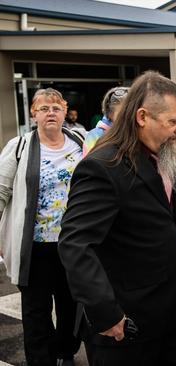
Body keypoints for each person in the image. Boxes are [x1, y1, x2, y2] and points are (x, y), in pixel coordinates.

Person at [57, 71, 176, 366]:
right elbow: (75, 244)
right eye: (173, 122)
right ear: (142, 117)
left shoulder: (163, 156)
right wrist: (107, 314)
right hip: (124, 325)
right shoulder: (102, 166)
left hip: (166, 314)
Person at [0, 88, 84, 366]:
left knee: (71, 304)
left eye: (56, 108)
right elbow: (1, 191)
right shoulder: (19, 147)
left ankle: (66, 352)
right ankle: (41, 360)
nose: (50, 113)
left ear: (64, 111)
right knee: (36, 311)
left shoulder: (81, 141)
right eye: (44, 108)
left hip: (73, 244)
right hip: (33, 246)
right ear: (34, 113)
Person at [83, 86, 129, 156]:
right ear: (109, 112)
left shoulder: (138, 132)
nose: (128, 116)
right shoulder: (94, 136)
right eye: (122, 113)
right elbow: (87, 164)